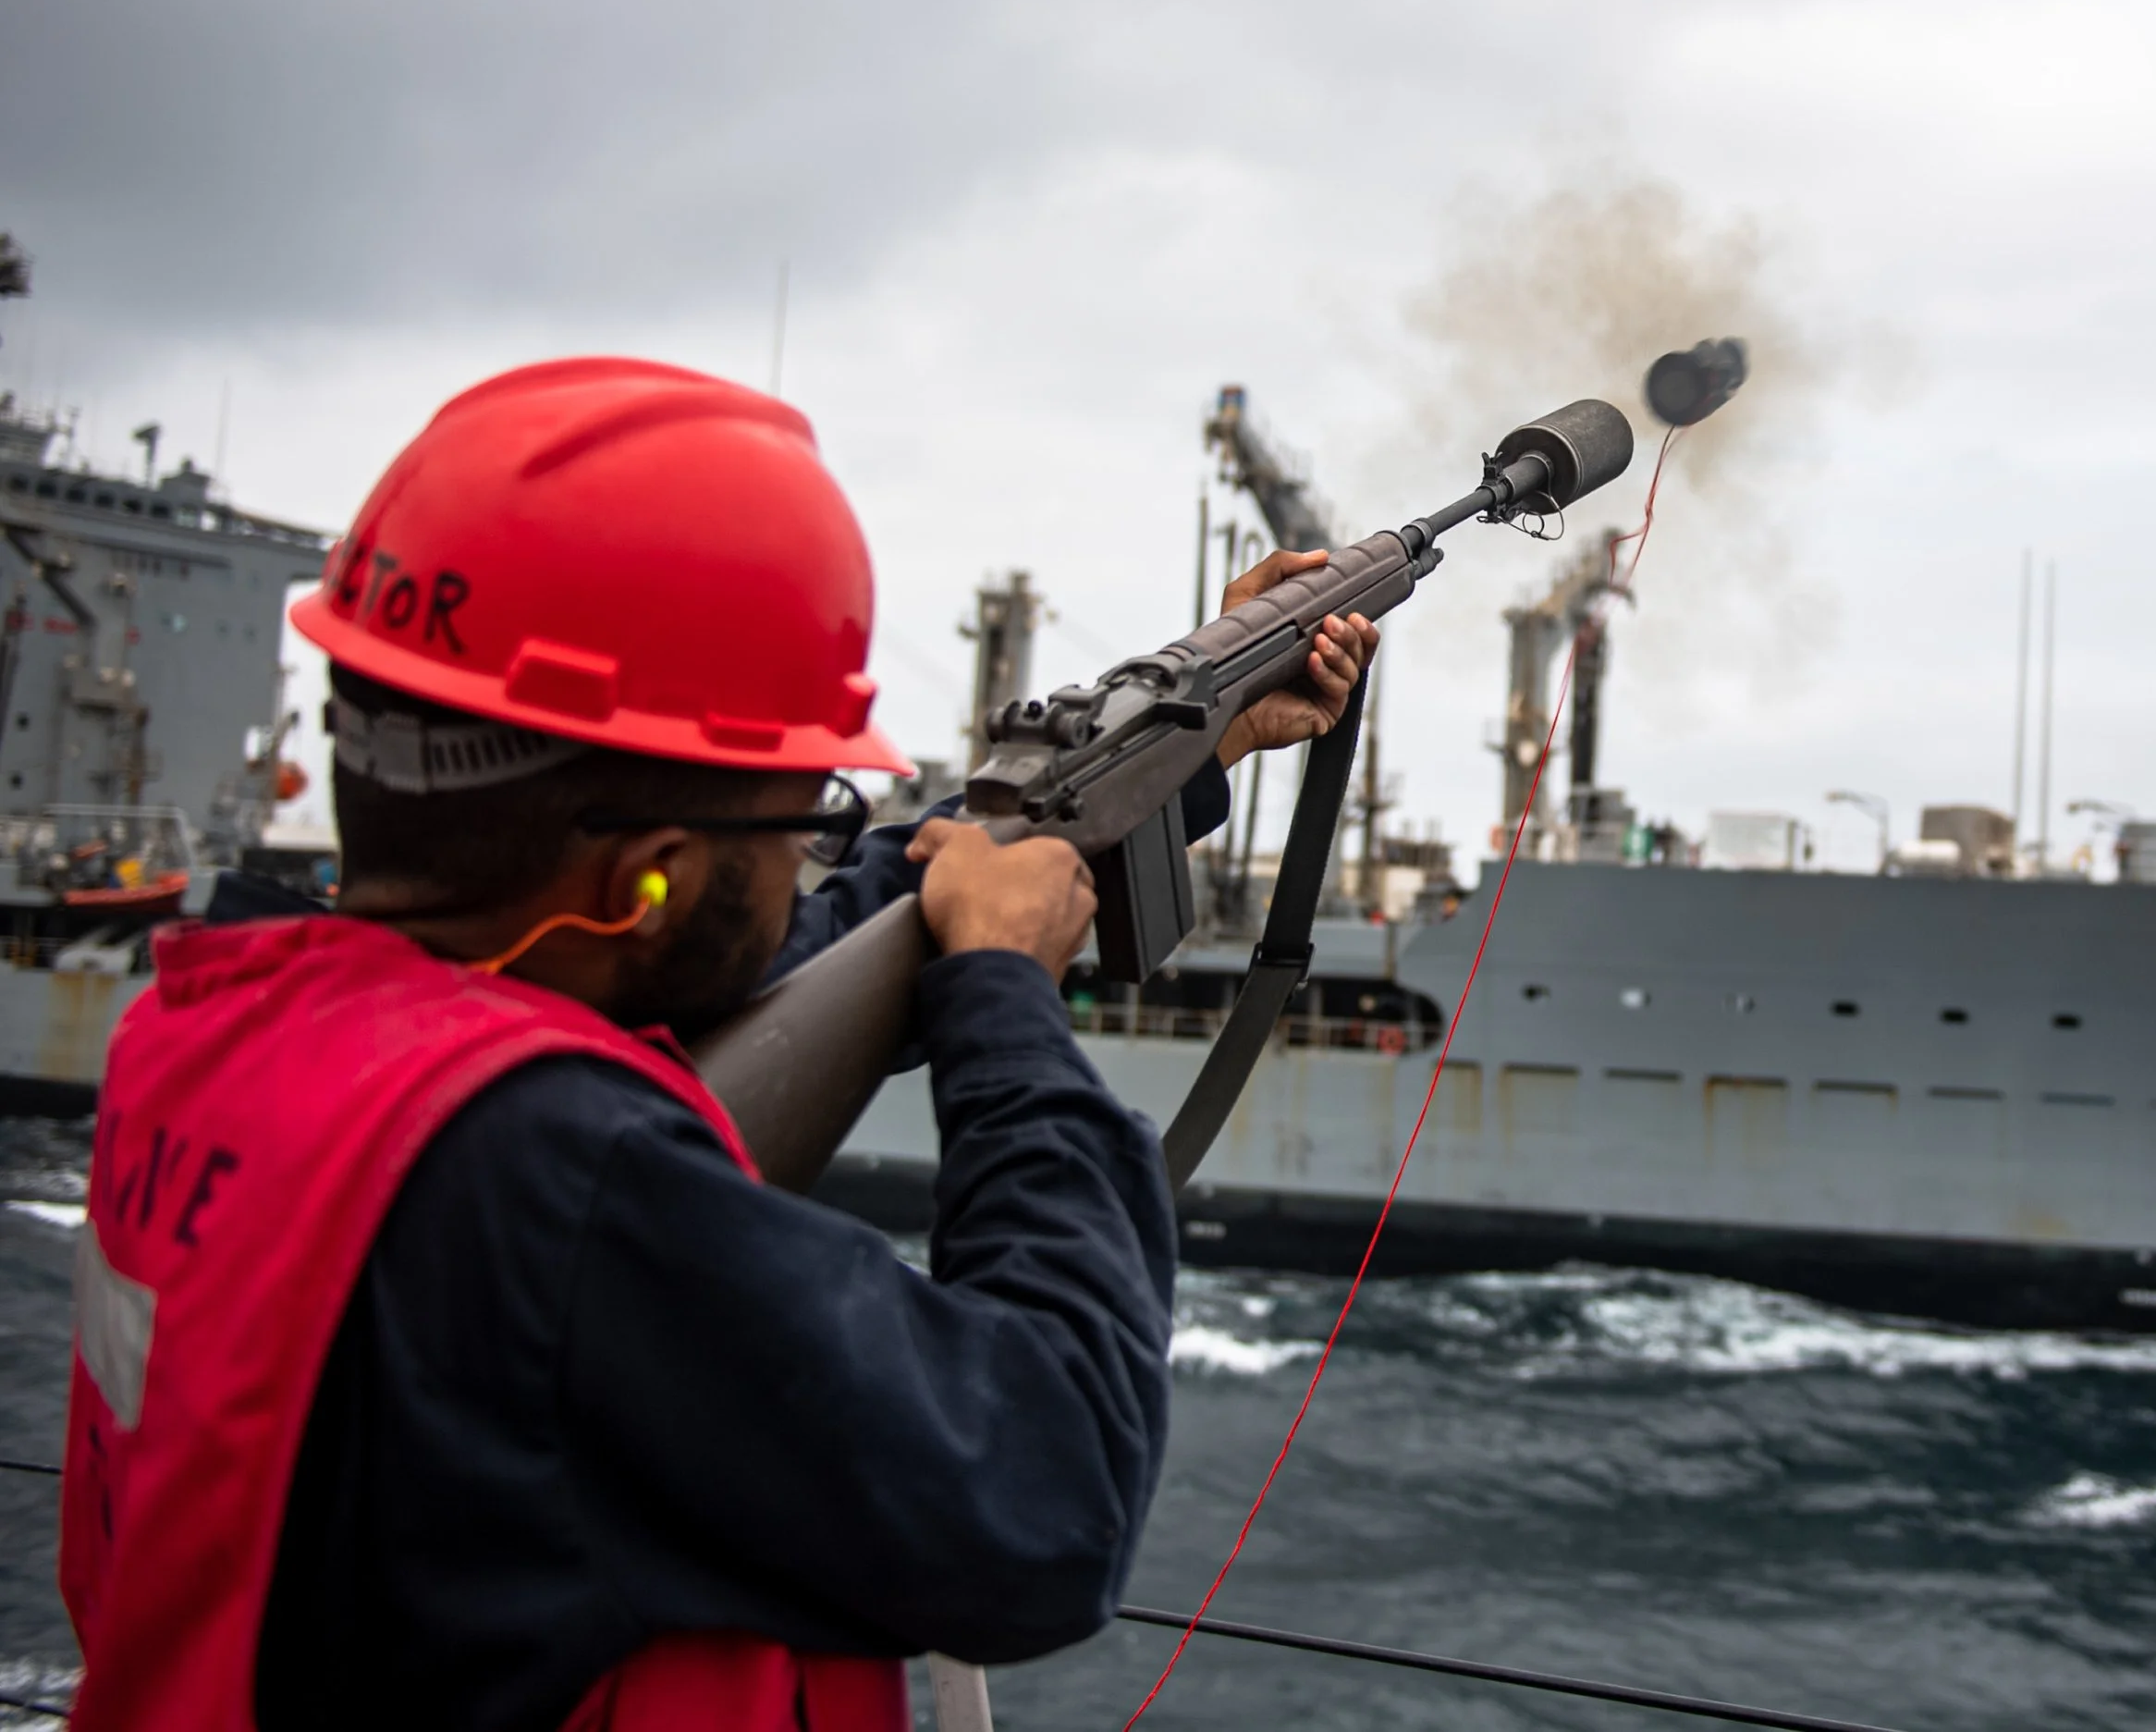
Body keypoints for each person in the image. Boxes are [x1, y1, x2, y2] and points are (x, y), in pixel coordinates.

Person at [58, 358, 1376, 1732]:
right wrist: (1003, 993)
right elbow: (1044, 1499)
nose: (822, 844)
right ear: (649, 874)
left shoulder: (213, 1025)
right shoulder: (555, 1179)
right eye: (808, 810)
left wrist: (1191, 742)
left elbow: (737, 950)